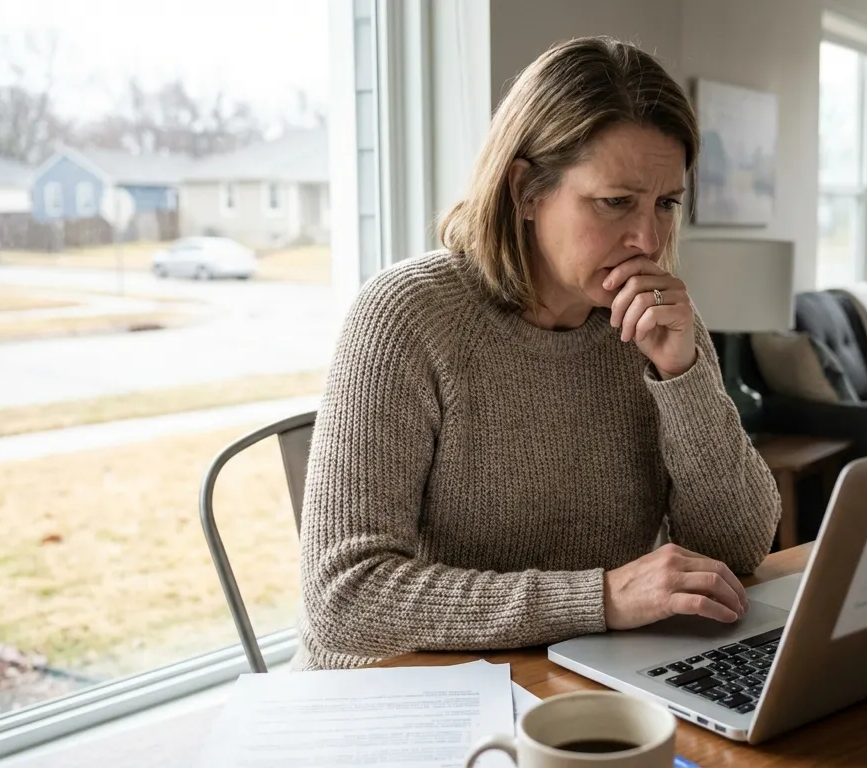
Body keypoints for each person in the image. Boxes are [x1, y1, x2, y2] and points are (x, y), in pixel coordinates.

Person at [294, 36, 782, 671]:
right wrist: (599, 599)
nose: (648, 239)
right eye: (615, 203)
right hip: (406, 697)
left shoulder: (656, 322)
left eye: (666, 204)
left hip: (574, 675)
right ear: (526, 190)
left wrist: (682, 375)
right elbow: (344, 597)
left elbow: (738, 549)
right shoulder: (406, 318)